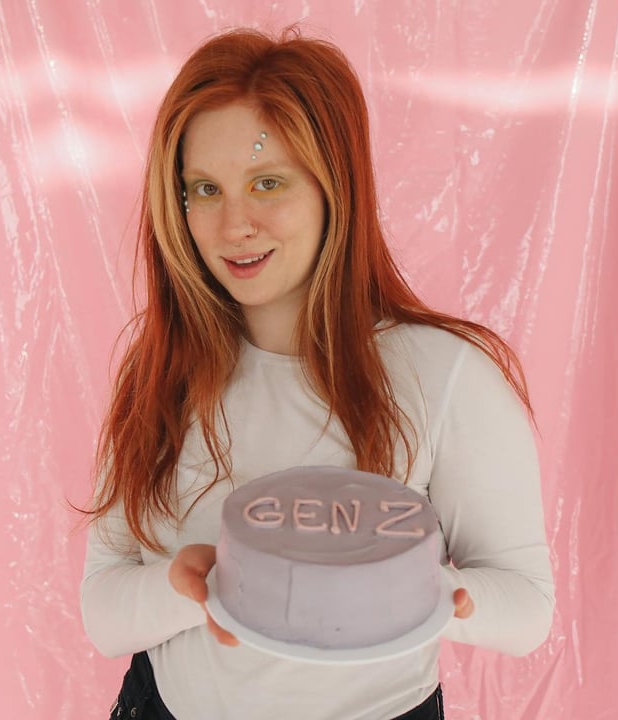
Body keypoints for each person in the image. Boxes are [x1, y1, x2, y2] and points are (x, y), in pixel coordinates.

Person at [80, 25, 554, 720]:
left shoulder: (447, 374)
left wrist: (411, 594)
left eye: (266, 183)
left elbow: (528, 607)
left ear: (336, 186)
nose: (232, 224)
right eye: (203, 190)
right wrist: (185, 586)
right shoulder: (161, 370)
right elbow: (103, 609)